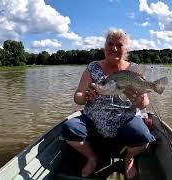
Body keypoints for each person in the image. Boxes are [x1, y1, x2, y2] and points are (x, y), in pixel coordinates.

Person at [61, 28, 155, 179]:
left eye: (119, 45)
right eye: (110, 44)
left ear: (126, 49)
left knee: (143, 136)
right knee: (68, 129)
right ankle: (92, 158)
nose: (114, 48)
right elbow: (77, 96)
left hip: (126, 118)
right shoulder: (92, 68)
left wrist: (140, 101)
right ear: (104, 47)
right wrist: (85, 96)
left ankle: (129, 157)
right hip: (93, 119)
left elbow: (144, 103)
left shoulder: (134, 69)